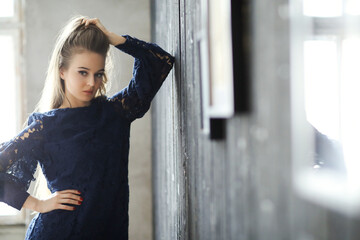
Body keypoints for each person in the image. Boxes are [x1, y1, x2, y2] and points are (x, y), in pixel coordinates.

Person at [0, 16, 175, 239]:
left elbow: (159, 61)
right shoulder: (45, 127)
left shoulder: (116, 114)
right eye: (83, 72)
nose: (92, 83)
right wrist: (38, 204)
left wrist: (115, 39)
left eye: (98, 74)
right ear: (62, 71)